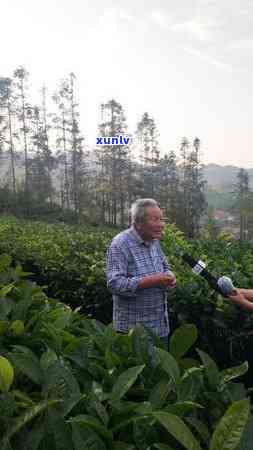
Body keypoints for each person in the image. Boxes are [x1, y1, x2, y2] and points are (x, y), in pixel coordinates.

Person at [106, 198, 176, 350]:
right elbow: (114, 284)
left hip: (160, 327)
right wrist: (155, 280)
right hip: (134, 332)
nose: (161, 224)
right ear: (138, 223)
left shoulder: (154, 241)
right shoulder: (120, 244)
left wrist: (169, 275)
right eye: (155, 219)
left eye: (162, 219)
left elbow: (164, 265)